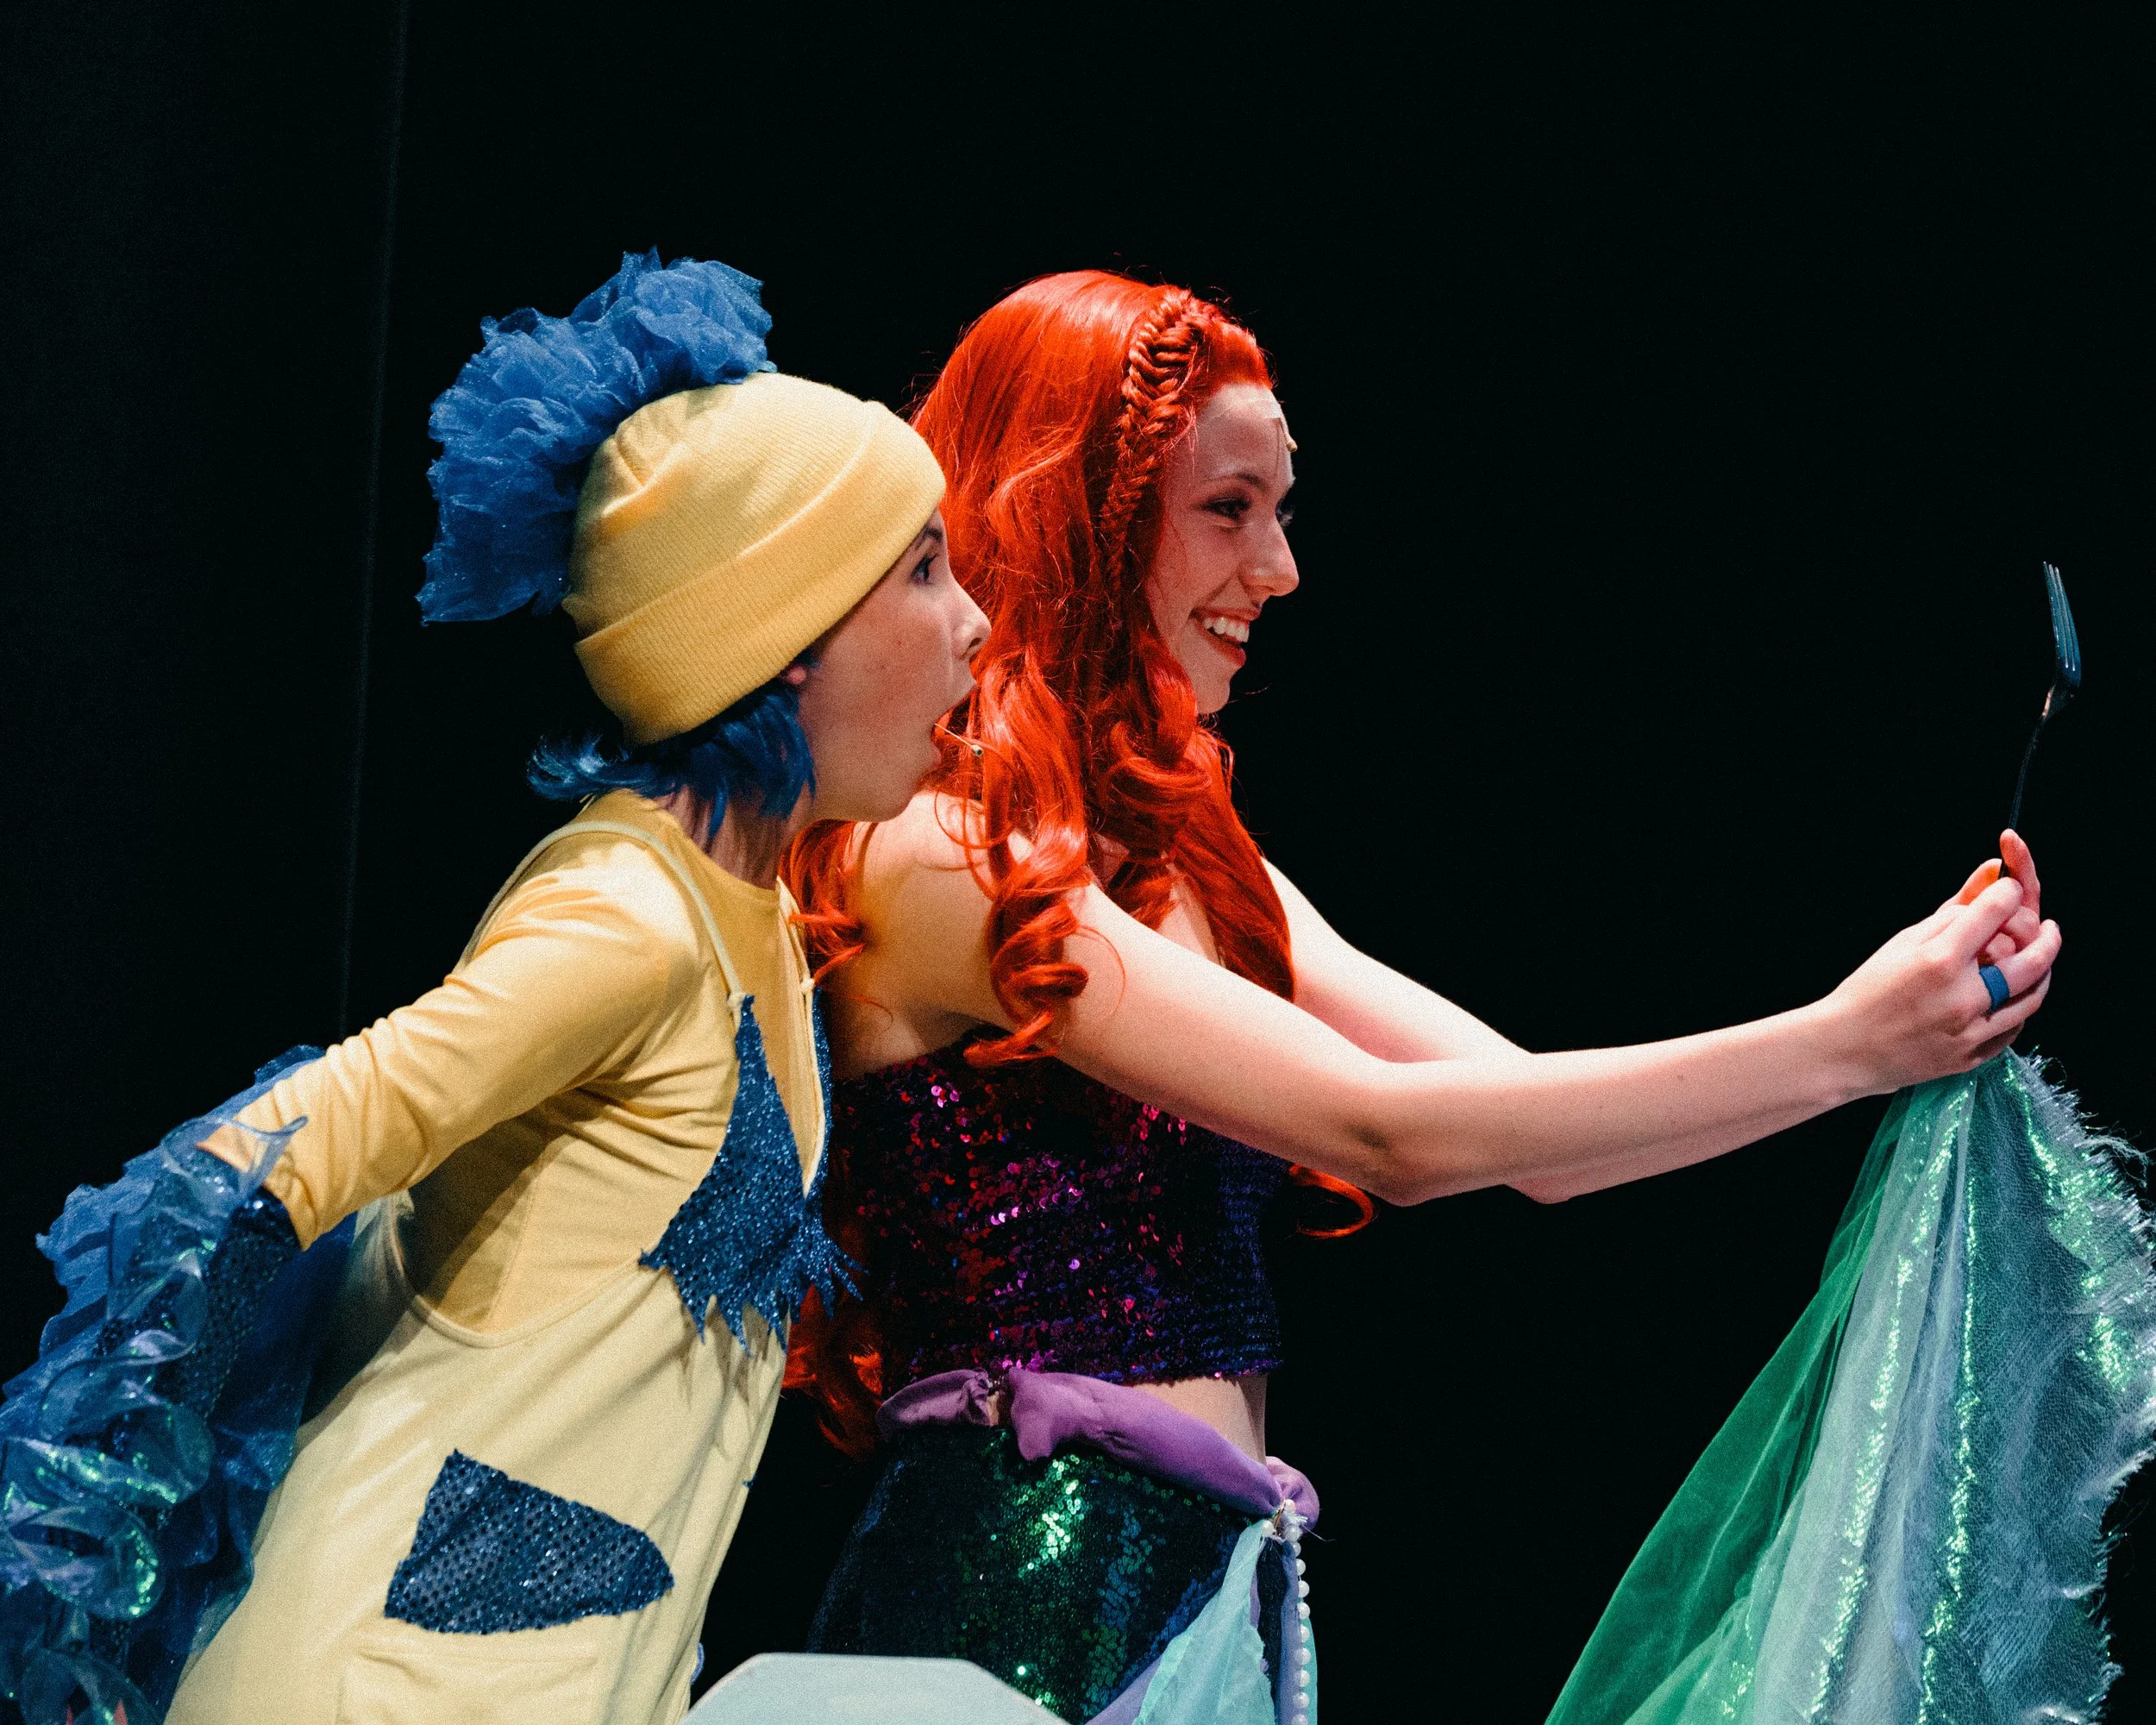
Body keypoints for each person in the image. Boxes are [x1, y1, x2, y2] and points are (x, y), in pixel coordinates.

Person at [782, 271, 2060, 1725]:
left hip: (1201, 1598)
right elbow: (1389, 1131)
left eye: (1279, 509)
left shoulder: (1191, 849)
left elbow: (1532, 1143)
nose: (1279, 569)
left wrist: (1875, 1044)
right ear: (1074, 513)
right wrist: (1847, 1036)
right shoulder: (942, 856)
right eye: (1226, 509)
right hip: (1017, 1611)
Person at [0, 251, 986, 1725]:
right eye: (921, 570)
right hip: (376, 1687)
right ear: (785, 646)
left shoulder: (755, 921)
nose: (972, 621)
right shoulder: (628, 916)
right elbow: (263, 1160)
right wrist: (93, 1545)